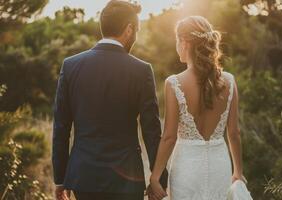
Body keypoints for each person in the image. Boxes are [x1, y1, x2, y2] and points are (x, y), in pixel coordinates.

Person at [52, 1, 167, 200]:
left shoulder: (71, 66)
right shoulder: (141, 70)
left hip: (84, 177)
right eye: (137, 30)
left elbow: (61, 127)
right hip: (127, 181)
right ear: (129, 29)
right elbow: (151, 131)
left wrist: (60, 178)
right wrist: (158, 179)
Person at [149, 16, 244, 200]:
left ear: (184, 43)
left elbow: (169, 137)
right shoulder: (229, 81)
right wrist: (238, 171)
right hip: (220, 165)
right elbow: (234, 133)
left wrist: (155, 176)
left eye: (177, 40)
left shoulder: (174, 83)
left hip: (187, 168)